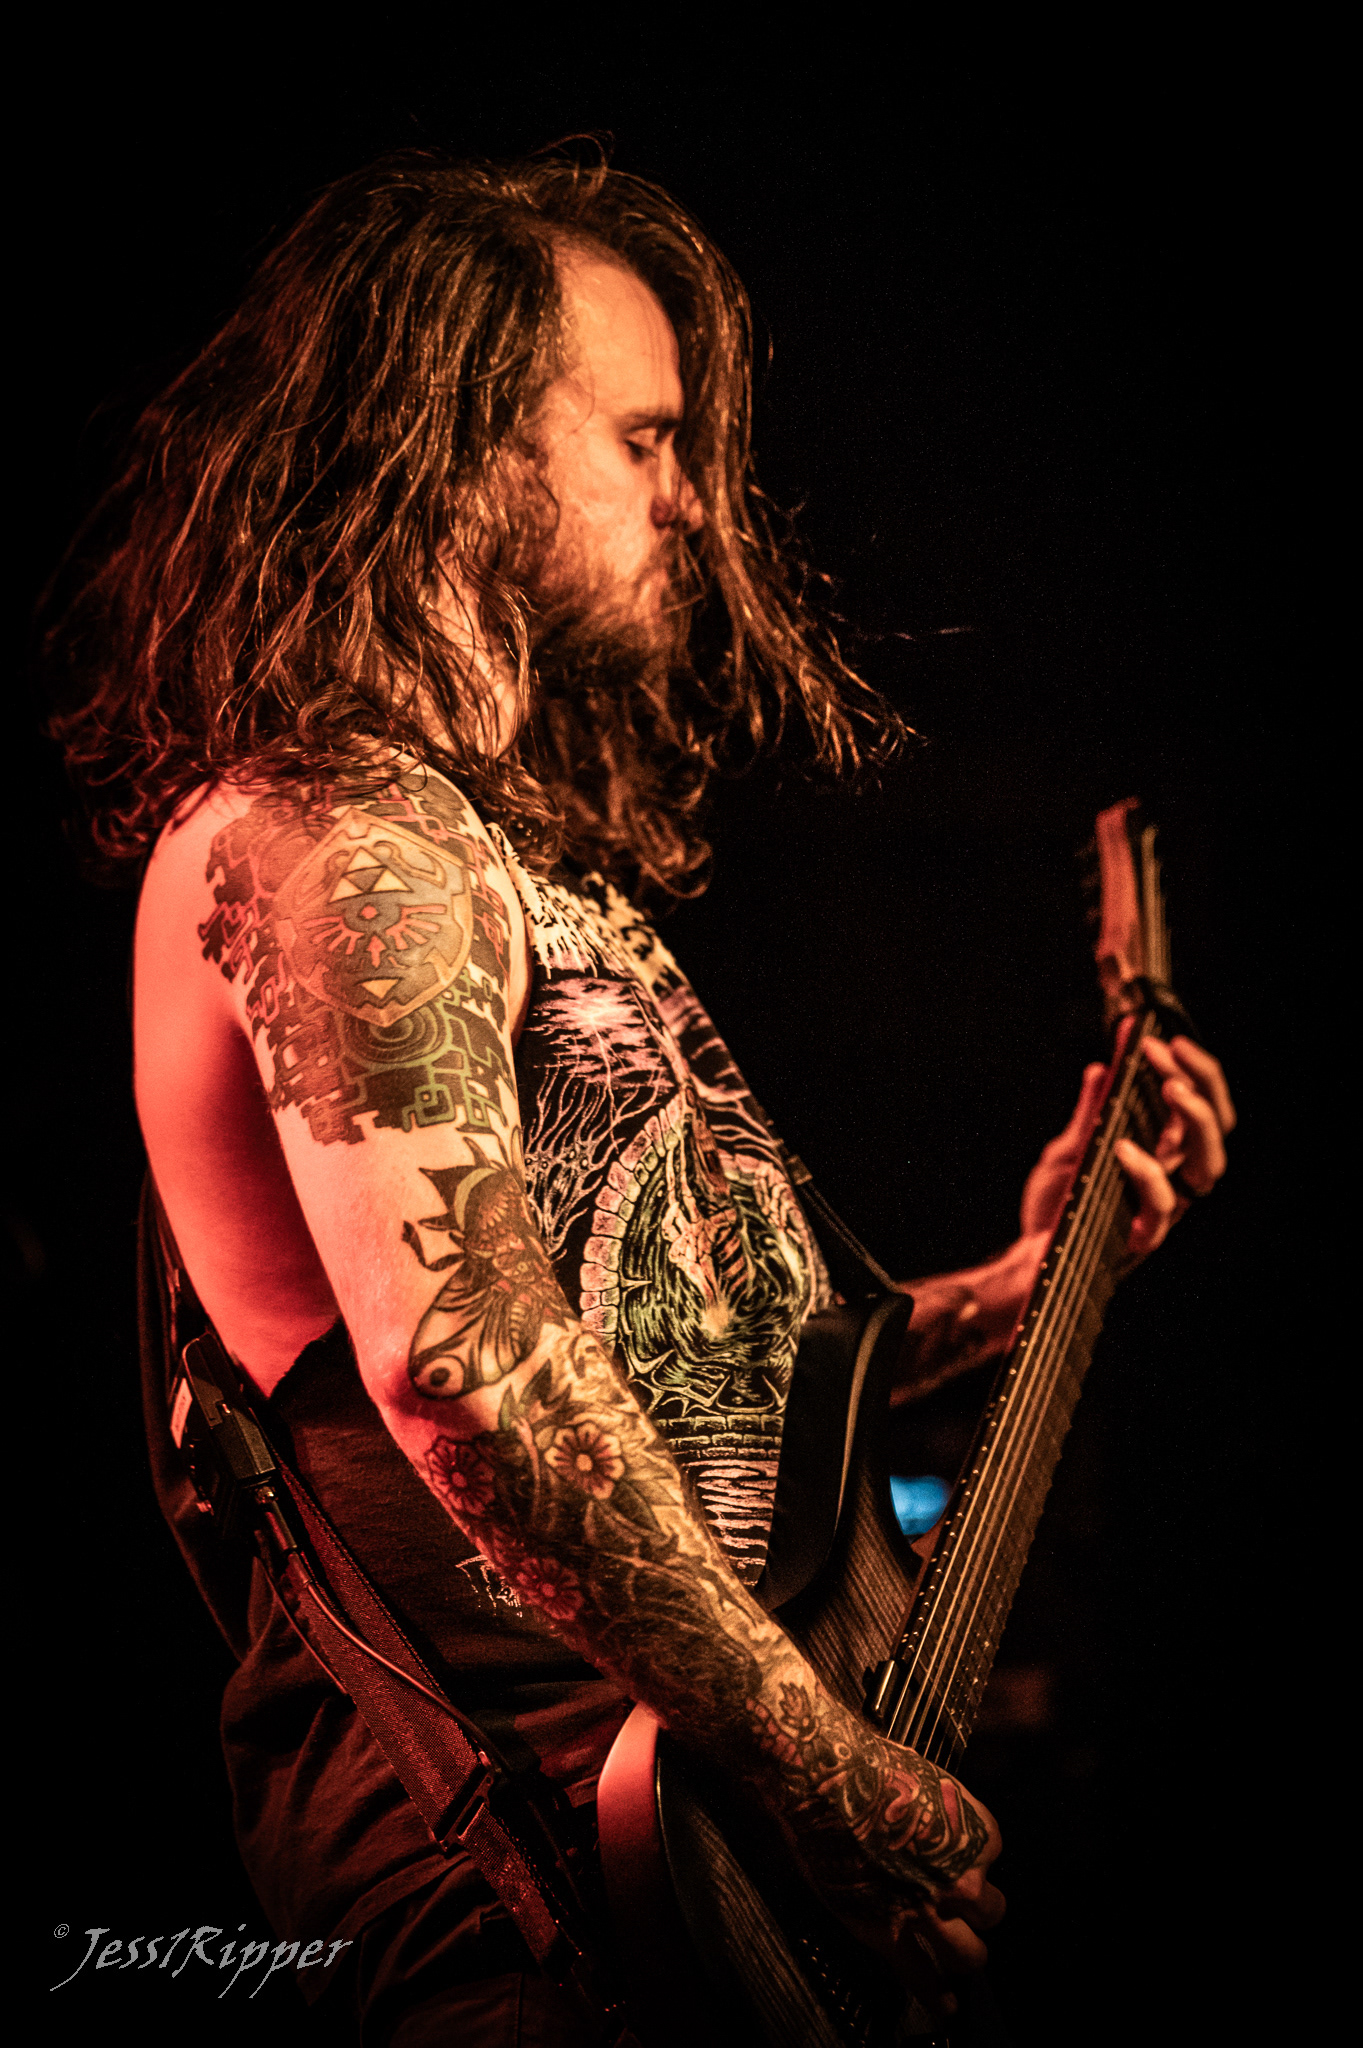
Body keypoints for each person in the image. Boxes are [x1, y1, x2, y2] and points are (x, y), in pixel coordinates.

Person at [48, 151, 1234, 2044]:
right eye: (644, 438)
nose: (691, 500)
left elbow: (684, 1367)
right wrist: (835, 1779)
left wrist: (1018, 1289)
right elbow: (474, 1365)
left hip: (696, 1871)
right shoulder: (330, 834)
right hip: (517, 1903)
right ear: (458, 446)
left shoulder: (510, 863)